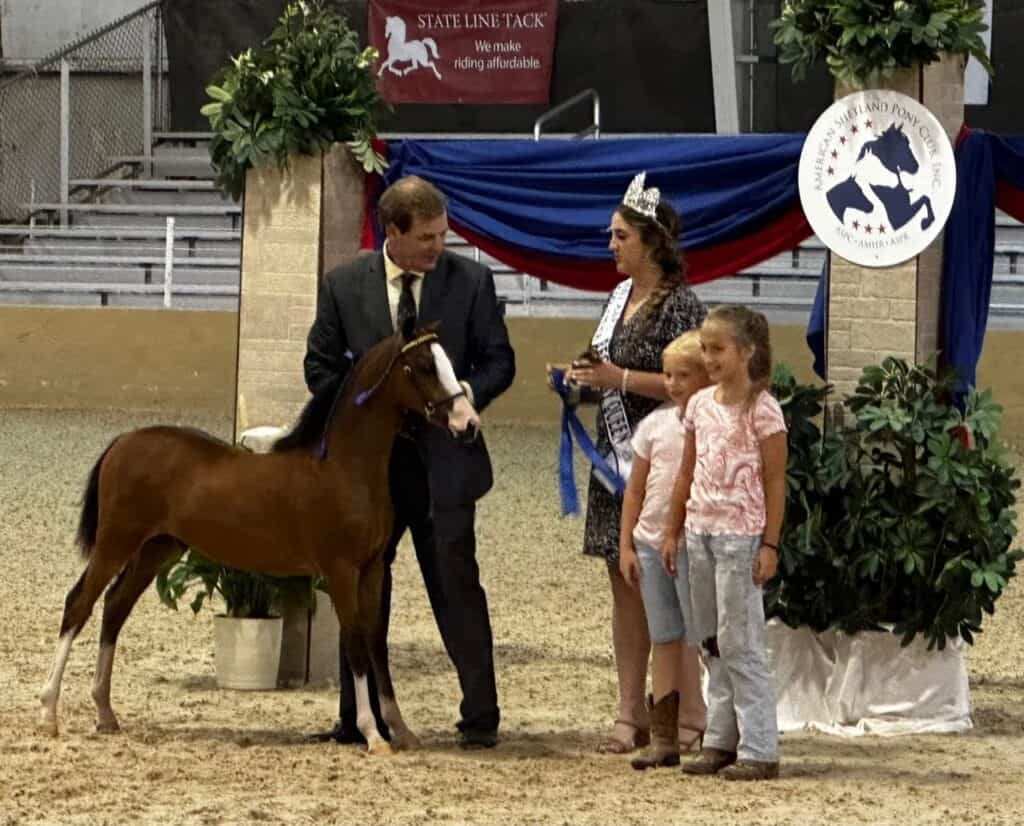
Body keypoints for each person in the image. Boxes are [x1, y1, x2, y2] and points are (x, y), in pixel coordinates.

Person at [304, 174, 515, 750]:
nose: (437, 246)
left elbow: (501, 361)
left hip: (447, 463)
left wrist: (464, 391)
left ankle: (480, 718)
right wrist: (366, 408)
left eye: (442, 235)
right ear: (391, 231)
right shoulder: (344, 285)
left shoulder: (471, 282)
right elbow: (319, 368)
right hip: (371, 473)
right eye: (426, 236)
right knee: (361, 587)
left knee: (456, 582)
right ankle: (358, 716)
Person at [550, 172, 706, 754]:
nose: (610, 245)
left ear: (651, 241)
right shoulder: (616, 300)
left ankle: (686, 711)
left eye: (620, 236)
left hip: (665, 462)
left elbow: (694, 383)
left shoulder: (683, 306)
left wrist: (621, 378)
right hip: (614, 463)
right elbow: (605, 373)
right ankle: (629, 711)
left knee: (668, 590)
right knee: (623, 587)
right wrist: (581, 383)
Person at [661, 304, 787, 781]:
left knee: (742, 640)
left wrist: (769, 544)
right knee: (711, 640)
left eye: (718, 349)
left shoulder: (763, 409)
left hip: (740, 538)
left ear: (746, 352)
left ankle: (760, 744)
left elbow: (776, 481)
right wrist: (673, 529)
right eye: (706, 349)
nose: (709, 358)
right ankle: (720, 737)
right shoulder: (698, 405)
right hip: (700, 533)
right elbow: (686, 471)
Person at [618, 331, 710, 770]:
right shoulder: (653, 426)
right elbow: (634, 491)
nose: (672, 384)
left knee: (703, 635)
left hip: (696, 544)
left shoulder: (714, 425)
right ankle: (664, 735)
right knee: (664, 636)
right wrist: (626, 544)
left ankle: (710, 724)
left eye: (683, 375)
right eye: (668, 375)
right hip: (651, 543)